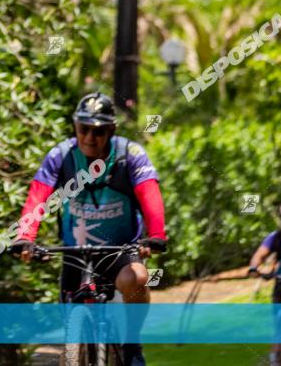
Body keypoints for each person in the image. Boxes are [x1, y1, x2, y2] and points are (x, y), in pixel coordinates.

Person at [10, 92, 168, 366]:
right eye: (84, 129)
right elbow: (38, 196)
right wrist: (25, 237)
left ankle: (132, 345)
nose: (90, 138)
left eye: (99, 131)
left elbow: (149, 195)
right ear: (75, 126)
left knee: (138, 278)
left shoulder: (130, 155)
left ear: (112, 130)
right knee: (71, 326)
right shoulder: (61, 156)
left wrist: (155, 236)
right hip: (75, 251)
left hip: (120, 251)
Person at [248, 200, 281, 366]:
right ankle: (275, 359)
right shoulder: (276, 237)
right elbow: (259, 254)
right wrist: (254, 267)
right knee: (278, 322)